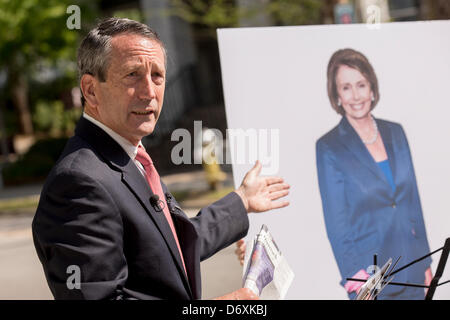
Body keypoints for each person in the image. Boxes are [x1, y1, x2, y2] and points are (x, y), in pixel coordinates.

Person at [32, 18, 290, 300]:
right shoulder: (78, 182)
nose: (149, 92)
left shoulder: (129, 158)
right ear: (91, 90)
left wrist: (241, 200)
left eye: (158, 76)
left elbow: (169, 245)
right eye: (132, 74)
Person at [315, 48, 432, 299]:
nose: (356, 96)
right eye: (346, 87)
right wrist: (358, 283)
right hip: (372, 280)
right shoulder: (329, 147)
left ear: (372, 88)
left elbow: (413, 203)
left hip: (413, 268)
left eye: (361, 85)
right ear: (336, 95)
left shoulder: (396, 133)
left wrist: (426, 262)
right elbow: (337, 225)